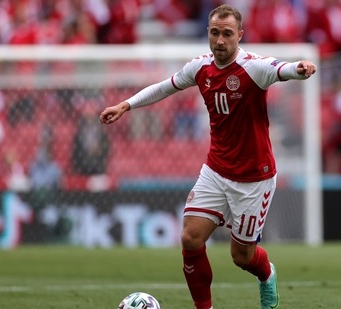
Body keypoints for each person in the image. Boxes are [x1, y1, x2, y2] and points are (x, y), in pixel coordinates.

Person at [99, 4, 317, 309]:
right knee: (190, 238)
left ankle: (267, 275)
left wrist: (299, 68)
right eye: (214, 33)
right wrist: (127, 104)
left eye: (227, 34)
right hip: (215, 170)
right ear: (208, 33)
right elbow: (166, 87)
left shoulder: (252, 67)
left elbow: (279, 69)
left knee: (241, 256)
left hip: (254, 177)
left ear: (240, 35)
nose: (220, 41)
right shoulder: (200, 67)